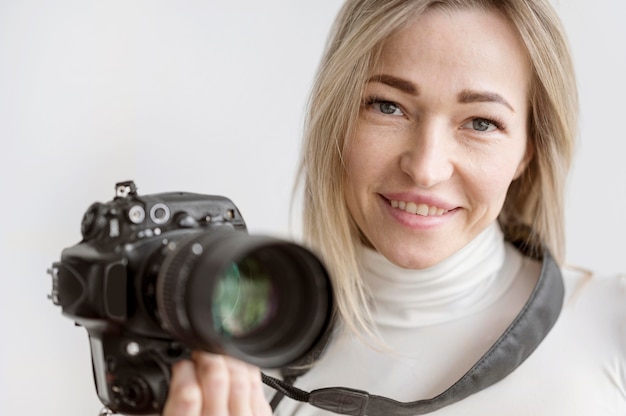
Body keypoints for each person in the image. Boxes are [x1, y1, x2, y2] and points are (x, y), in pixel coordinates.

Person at [163, 0, 625, 415]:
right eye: (388, 107)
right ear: (338, 118)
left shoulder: (612, 325)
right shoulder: (231, 371)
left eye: (481, 122)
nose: (425, 168)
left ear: (528, 150)